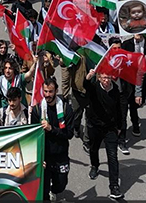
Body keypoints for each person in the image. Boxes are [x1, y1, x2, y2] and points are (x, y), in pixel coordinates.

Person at [30, 77, 75, 201]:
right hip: (45, 156)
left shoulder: (66, 109)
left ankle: (54, 191)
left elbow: (69, 134)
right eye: (45, 91)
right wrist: (38, 157)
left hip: (61, 154)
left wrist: (52, 129)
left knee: (61, 185)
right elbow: (34, 137)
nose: (47, 95)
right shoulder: (38, 110)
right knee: (43, 191)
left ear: (56, 91)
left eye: (50, 91)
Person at [83, 69, 124, 200]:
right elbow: (86, 85)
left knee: (113, 157)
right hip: (95, 126)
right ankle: (95, 166)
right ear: (99, 78)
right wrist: (88, 77)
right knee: (94, 148)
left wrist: (119, 126)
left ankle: (114, 186)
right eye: (104, 78)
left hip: (110, 128)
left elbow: (119, 109)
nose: (106, 81)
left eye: (108, 78)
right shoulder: (94, 88)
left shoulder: (115, 90)